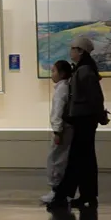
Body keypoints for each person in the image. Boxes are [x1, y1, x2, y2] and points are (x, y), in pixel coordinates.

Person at [50, 36, 106, 211]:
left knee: (77, 159)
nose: (71, 51)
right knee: (85, 159)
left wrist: (100, 115)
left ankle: (62, 196)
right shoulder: (82, 69)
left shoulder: (84, 71)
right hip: (83, 120)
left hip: (85, 120)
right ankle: (87, 196)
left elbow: (95, 97)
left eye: (73, 48)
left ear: (81, 51)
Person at [41, 59, 73, 205]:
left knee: (56, 159)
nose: (52, 74)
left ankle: (56, 191)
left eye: (54, 71)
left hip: (62, 130)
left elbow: (58, 111)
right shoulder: (65, 87)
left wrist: (57, 130)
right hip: (64, 129)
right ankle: (60, 190)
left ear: (62, 73)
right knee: (60, 159)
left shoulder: (62, 89)